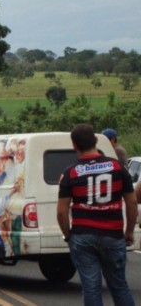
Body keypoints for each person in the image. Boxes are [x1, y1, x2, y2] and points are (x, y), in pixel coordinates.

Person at [57, 123, 137, 306]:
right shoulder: (118, 168)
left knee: (91, 287)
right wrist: (129, 231)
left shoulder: (70, 173)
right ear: (95, 140)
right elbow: (131, 202)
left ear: (74, 146)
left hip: (82, 235)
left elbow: (62, 212)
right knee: (119, 285)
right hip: (113, 234)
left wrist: (68, 235)